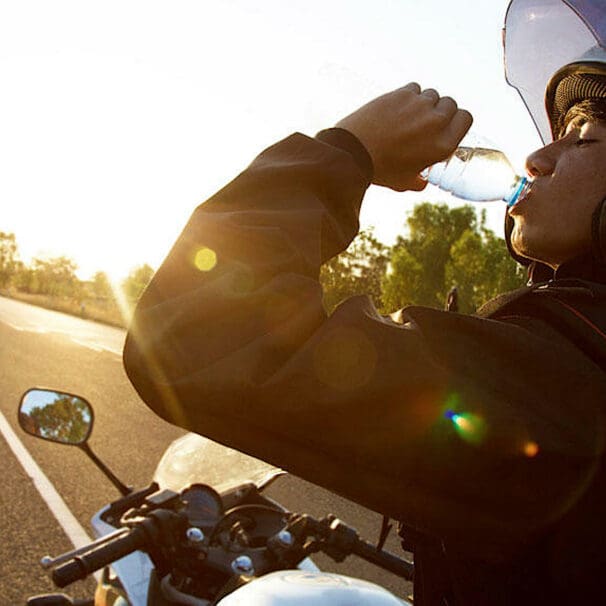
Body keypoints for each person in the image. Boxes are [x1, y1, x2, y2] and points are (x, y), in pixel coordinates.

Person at [123, 0, 606, 603]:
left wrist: (348, 152)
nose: (537, 158)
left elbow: (199, 336)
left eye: (583, 138)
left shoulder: (566, 377)